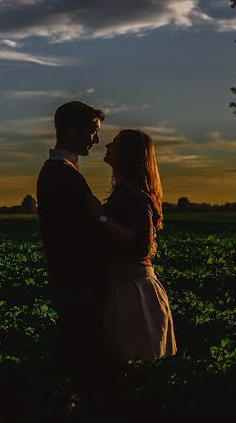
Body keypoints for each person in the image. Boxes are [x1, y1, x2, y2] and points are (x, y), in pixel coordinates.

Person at [36, 101, 112, 382]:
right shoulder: (62, 175)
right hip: (77, 282)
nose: (97, 139)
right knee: (80, 358)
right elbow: (84, 233)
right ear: (73, 129)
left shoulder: (59, 171)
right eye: (93, 131)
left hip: (70, 281)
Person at [90, 129, 177, 361]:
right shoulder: (124, 192)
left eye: (115, 144)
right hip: (124, 288)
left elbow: (142, 246)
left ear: (127, 154)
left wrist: (99, 218)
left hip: (135, 294)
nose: (107, 146)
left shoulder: (136, 196)